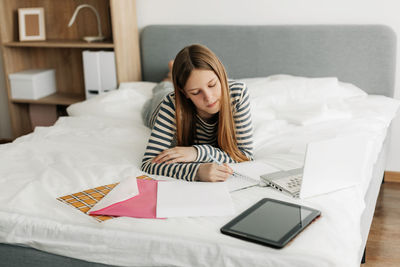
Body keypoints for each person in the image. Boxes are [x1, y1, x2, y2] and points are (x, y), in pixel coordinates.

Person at [140, 44, 253, 182]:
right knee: (161, 90)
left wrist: (196, 152)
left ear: (221, 75)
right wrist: (196, 172)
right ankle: (168, 79)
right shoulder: (171, 105)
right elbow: (148, 164)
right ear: (184, 93)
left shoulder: (238, 94)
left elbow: (245, 156)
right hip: (156, 108)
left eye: (212, 85)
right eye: (196, 92)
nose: (209, 97)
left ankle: (172, 76)